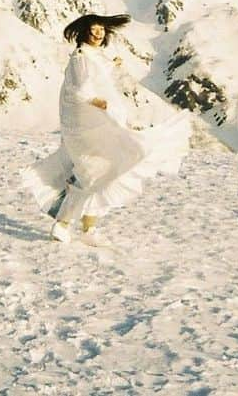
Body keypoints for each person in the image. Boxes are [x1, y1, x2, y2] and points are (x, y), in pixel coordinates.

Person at [21, 13, 191, 247]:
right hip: (86, 122)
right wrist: (94, 100)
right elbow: (80, 87)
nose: (99, 33)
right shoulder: (81, 57)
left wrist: (113, 67)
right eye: (94, 29)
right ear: (84, 32)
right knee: (94, 170)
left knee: (108, 168)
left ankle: (88, 227)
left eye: (102, 29)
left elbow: (98, 75)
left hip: (98, 118)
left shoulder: (94, 56)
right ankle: (62, 223)